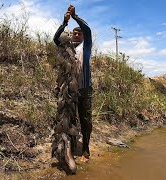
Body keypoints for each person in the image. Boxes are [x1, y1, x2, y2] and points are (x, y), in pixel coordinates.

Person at [53, 5, 92, 163]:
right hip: (69, 90)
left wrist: (75, 17)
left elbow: (88, 30)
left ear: (82, 36)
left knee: (85, 120)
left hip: (84, 89)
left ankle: (86, 150)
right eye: (75, 33)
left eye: (79, 33)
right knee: (70, 118)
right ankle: (72, 146)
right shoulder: (66, 47)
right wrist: (64, 22)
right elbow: (56, 39)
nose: (77, 35)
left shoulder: (86, 47)